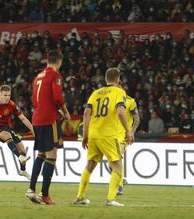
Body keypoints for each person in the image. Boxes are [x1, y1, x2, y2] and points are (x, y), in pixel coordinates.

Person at [72, 67, 134, 207]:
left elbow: (87, 114)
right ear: (118, 80)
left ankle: (80, 197)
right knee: (118, 166)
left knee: (90, 165)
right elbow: (120, 112)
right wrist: (128, 131)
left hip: (94, 134)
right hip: (108, 134)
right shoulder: (119, 92)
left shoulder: (96, 93)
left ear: (106, 79)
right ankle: (111, 199)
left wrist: (86, 135)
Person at [25, 50, 70, 205]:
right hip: (49, 119)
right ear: (59, 61)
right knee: (52, 155)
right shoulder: (55, 76)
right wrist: (65, 112)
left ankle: (31, 189)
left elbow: (35, 100)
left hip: (37, 118)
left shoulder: (38, 76)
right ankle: (45, 194)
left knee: (41, 154)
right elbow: (57, 97)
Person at [116, 83, 140, 196]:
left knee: (117, 159)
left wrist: (131, 133)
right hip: (112, 135)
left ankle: (119, 186)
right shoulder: (113, 101)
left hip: (123, 137)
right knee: (110, 164)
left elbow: (137, 119)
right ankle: (122, 179)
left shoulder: (130, 101)